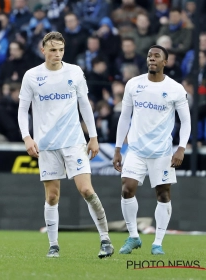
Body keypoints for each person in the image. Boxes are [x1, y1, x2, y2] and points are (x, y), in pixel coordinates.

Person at [18, 31, 114, 259]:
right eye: (52, 50)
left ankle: (105, 239)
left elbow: (85, 105)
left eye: (61, 50)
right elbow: (23, 110)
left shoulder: (75, 72)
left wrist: (93, 136)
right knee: (52, 196)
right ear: (43, 50)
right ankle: (53, 245)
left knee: (86, 190)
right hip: (47, 145)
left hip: (73, 142)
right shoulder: (32, 76)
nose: (57, 54)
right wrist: (27, 137)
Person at [112, 45, 191, 255]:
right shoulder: (133, 84)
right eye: (149, 56)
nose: (152, 59)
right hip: (136, 150)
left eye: (157, 56)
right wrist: (118, 148)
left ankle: (157, 243)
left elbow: (186, 121)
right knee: (127, 188)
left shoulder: (175, 89)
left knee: (163, 195)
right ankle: (133, 237)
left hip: (162, 152)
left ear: (165, 62)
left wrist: (181, 148)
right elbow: (124, 117)